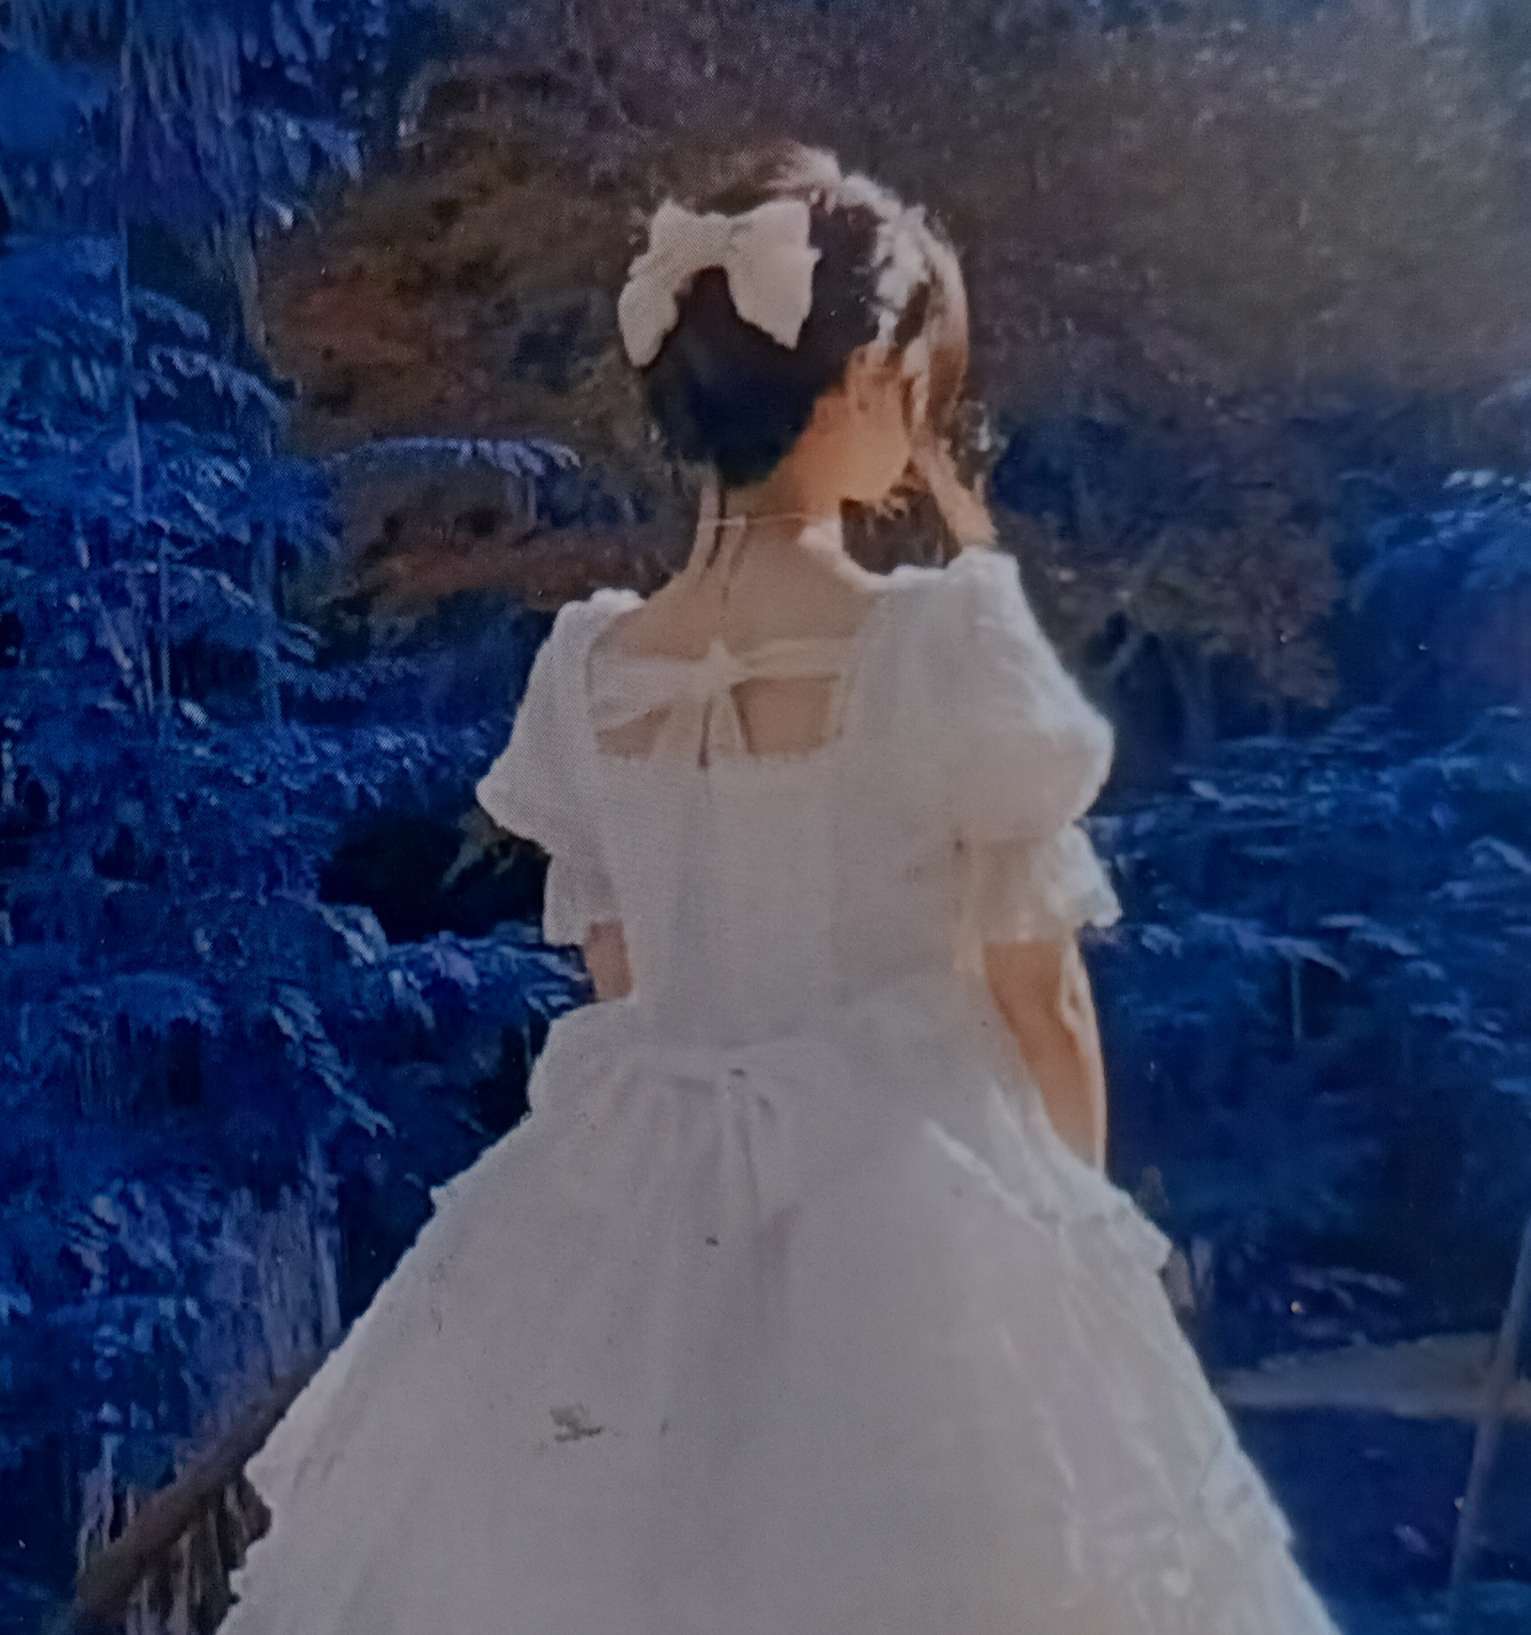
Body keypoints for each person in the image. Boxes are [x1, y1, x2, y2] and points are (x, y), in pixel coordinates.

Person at [219, 142, 1341, 1634]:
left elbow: (625, 977)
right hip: (908, 1204)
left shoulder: (591, 670)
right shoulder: (940, 645)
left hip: (632, 1204)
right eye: (920, 385)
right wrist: (1071, 1240)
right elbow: (1045, 999)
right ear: (869, 379)